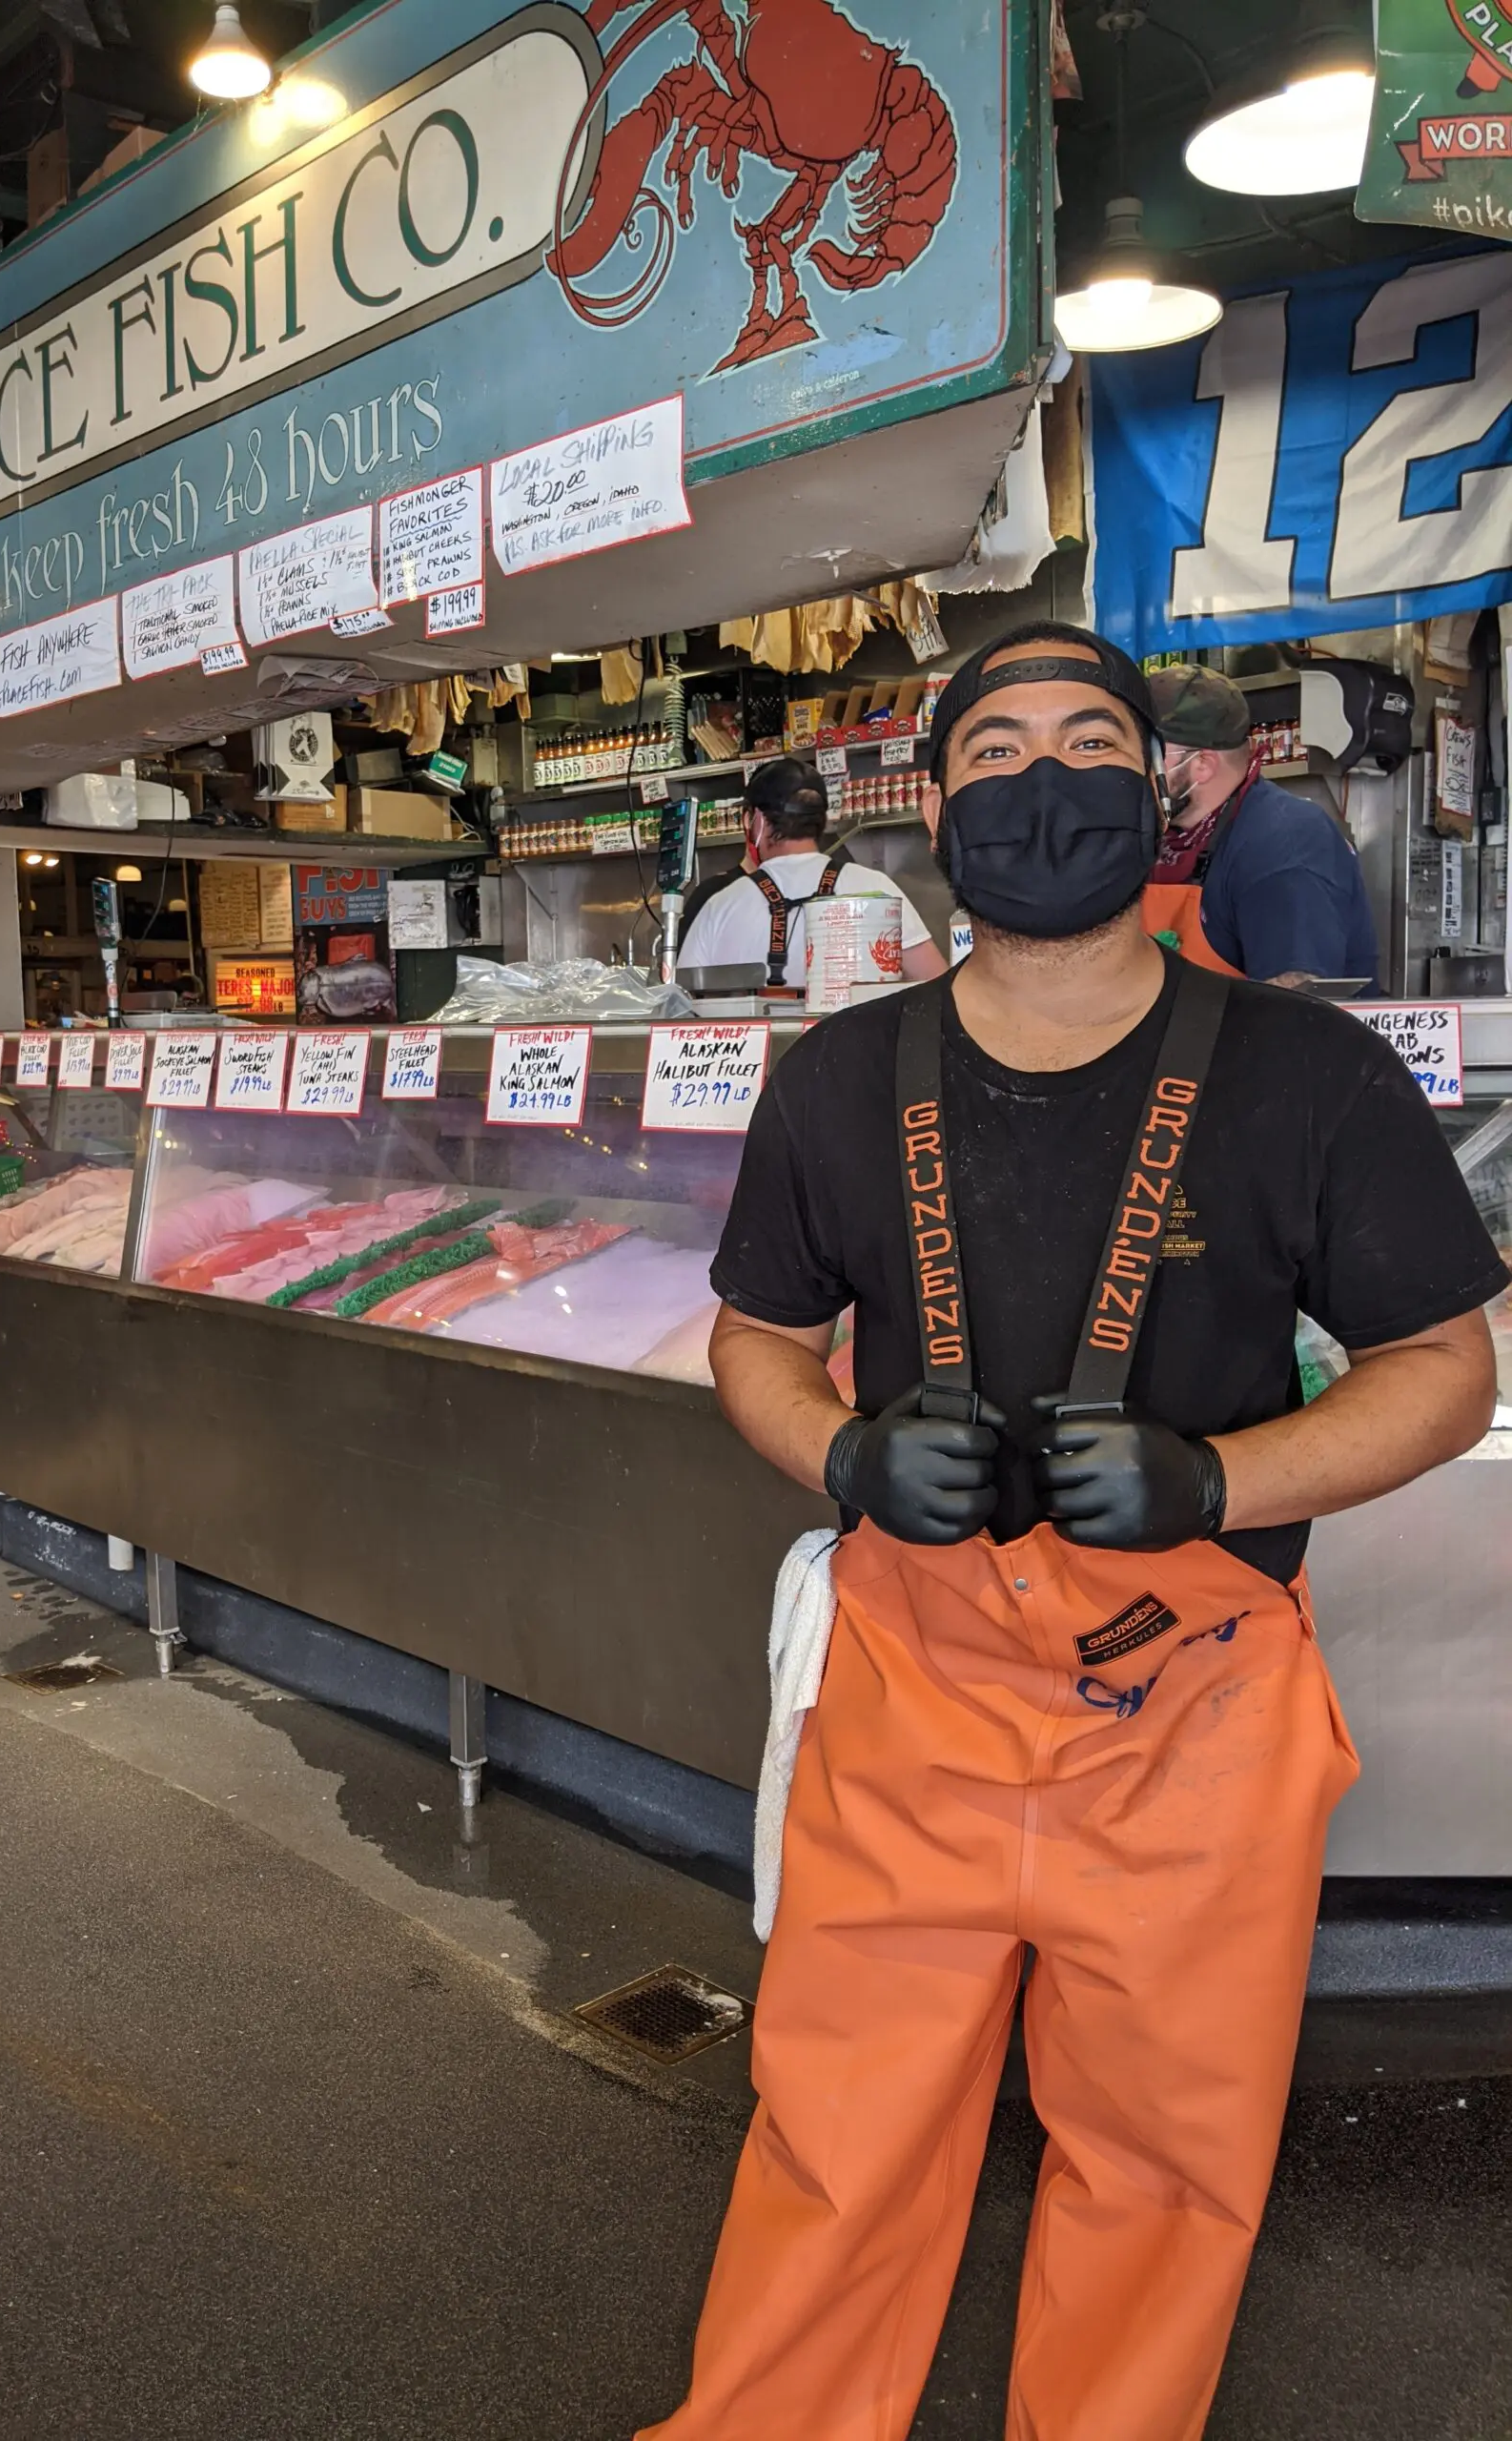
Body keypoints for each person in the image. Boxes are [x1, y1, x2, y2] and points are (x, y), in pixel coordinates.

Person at [643, 620, 1504, 2441]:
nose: (1049, 780)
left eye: (1092, 742)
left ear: (1168, 790)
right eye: (1003, 750)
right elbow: (758, 1342)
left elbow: (1439, 1364)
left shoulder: (1309, 1073)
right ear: (940, 806)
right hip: (913, 1696)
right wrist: (843, 1461)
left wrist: (1222, 1482)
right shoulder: (836, 1080)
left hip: (1193, 1714)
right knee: (837, 2140)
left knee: (1166, 2169)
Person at [1144, 663, 1380, 986]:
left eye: (1149, 754)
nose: (1131, 766)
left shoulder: (1285, 842)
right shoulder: (1161, 835)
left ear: (1201, 765)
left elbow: (1295, 1003)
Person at [675, 754, 945, 989]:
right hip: (862, 1046)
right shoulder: (876, 889)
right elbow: (938, 985)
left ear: (756, 821)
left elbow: (682, 1006)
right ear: (823, 820)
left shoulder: (721, 906)